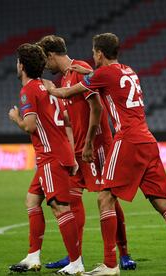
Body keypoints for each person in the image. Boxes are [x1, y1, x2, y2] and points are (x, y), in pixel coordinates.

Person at [44, 33, 166, 275]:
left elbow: (66, 93)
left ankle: (110, 264)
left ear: (99, 53)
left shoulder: (103, 74)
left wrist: (50, 88)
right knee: (161, 202)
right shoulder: (129, 71)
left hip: (127, 140)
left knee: (105, 198)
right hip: (148, 140)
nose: (93, 57)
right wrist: (86, 74)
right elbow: (105, 79)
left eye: (94, 53)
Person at [36, 35, 136, 270]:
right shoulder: (65, 79)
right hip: (80, 149)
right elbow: (74, 117)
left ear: (51, 55)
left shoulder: (82, 70)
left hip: (98, 147)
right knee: (70, 199)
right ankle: (74, 257)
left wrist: (90, 142)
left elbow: (97, 107)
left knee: (110, 199)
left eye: (45, 60)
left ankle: (123, 253)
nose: (44, 65)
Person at [8, 43, 84, 275]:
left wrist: (16, 118)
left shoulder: (29, 90)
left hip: (50, 155)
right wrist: (70, 153)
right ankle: (33, 256)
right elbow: (65, 121)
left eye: (17, 61)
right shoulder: (47, 86)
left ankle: (76, 262)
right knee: (32, 200)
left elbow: (30, 125)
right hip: (58, 151)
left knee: (59, 207)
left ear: (22, 65)